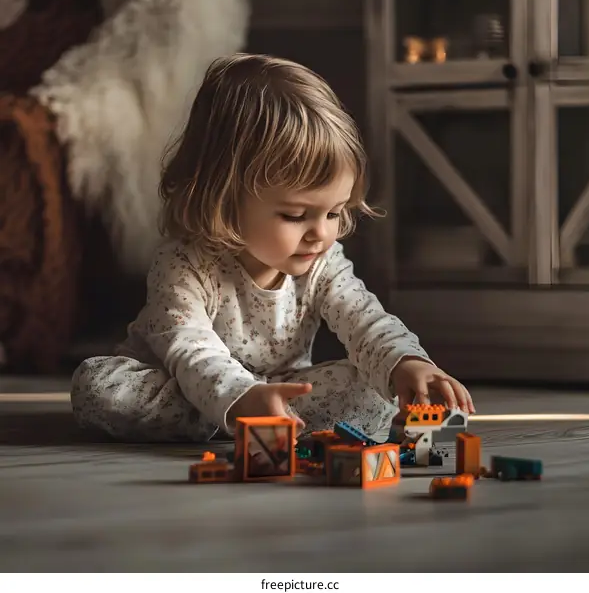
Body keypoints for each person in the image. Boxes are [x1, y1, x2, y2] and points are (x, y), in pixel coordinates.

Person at [71, 53, 475, 443]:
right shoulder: (184, 263)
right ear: (223, 199)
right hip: (179, 382)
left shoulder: (322, 262)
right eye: (297, 215)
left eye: (334, 212)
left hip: (281, 390)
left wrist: (406, 362)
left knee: (369, 388)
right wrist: (240, 397)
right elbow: (190, 349)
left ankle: (268, 419)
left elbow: (366, 322)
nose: (321, 234)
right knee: (98, 386)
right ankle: (238, 418)